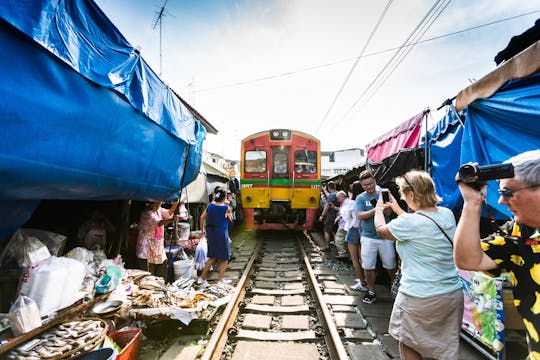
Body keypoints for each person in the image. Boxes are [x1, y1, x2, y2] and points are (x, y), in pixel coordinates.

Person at [454, 150, 540, 359]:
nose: (501, 201)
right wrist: (472, 202)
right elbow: (467, 259)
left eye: (508, 192)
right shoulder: (519, 233)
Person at [374, 170, 463, 360]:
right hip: (451, 294)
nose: (401, 196)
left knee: (409, 342)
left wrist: (378, 209)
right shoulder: (447, 214)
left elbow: (382, 230)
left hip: (419, 296)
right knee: (445, 347)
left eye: (402, 192)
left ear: (412, 195)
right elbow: (418, 221)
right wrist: (398, 209)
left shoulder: (410, 223)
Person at [356, 170, 396, 304]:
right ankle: (371, 291)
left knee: (390, 265)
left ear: (375, 181)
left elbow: (390, 213)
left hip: (385, 236)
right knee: (368, 266)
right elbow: (360, 215)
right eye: (366, 185)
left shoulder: (383, 194)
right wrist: (376, 210)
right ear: (362, 186)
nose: (369, 187)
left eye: (371, 183)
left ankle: (393, 286)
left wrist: (384, 206)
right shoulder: (361, 198)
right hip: (368, 236)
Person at [198, 187, 234, 287]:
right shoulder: (226, 208)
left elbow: (201, 218)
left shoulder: (210, 206)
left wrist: (202, 230)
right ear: (225, 197)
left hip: (210, 232)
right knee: (224, 257)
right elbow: (230, 220)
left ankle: (201, 278)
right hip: (221, 233)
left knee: (212, 256)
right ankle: (221, 279)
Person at [136, 200, 180, 275]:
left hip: (157, 248)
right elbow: (159, 222)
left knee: (161, 271)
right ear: (150, 204)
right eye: (156, 205)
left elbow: (168, 213)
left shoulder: (158, 209)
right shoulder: (147, 213)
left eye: (159, 205)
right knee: (148, 275)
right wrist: (172, 220)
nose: (157, 207)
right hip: (146, 249)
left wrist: (175, 204)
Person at [345, 181, 368, 291]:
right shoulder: (364, 200)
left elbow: (345, 217)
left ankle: (362, 283)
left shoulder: (352, 203)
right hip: (364, 230)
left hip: (354, 230)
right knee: (364, 258)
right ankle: (367, 281)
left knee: (355, 259)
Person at [319, 181, 339, 252]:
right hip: (339, 215)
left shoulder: (331, 195)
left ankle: (327, 246)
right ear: (335, 186)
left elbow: (327, 206)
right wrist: (324, 190)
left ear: (328, 187)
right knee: (334, 230)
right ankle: (337, 244)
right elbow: (329, 195)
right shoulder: (339, 194)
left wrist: (322, 215)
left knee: (327, 230)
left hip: (331, 215)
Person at [333, 191, 350, 259]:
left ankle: (343, 253)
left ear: (342, 197)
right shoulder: (346, 202)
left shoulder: (346, 202)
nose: (337, 200)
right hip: (345, 224)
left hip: (344, 224)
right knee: (345, 239)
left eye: (338, 198)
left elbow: (346, 212)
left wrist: (338, 217)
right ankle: (347, 253)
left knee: (338, 239)